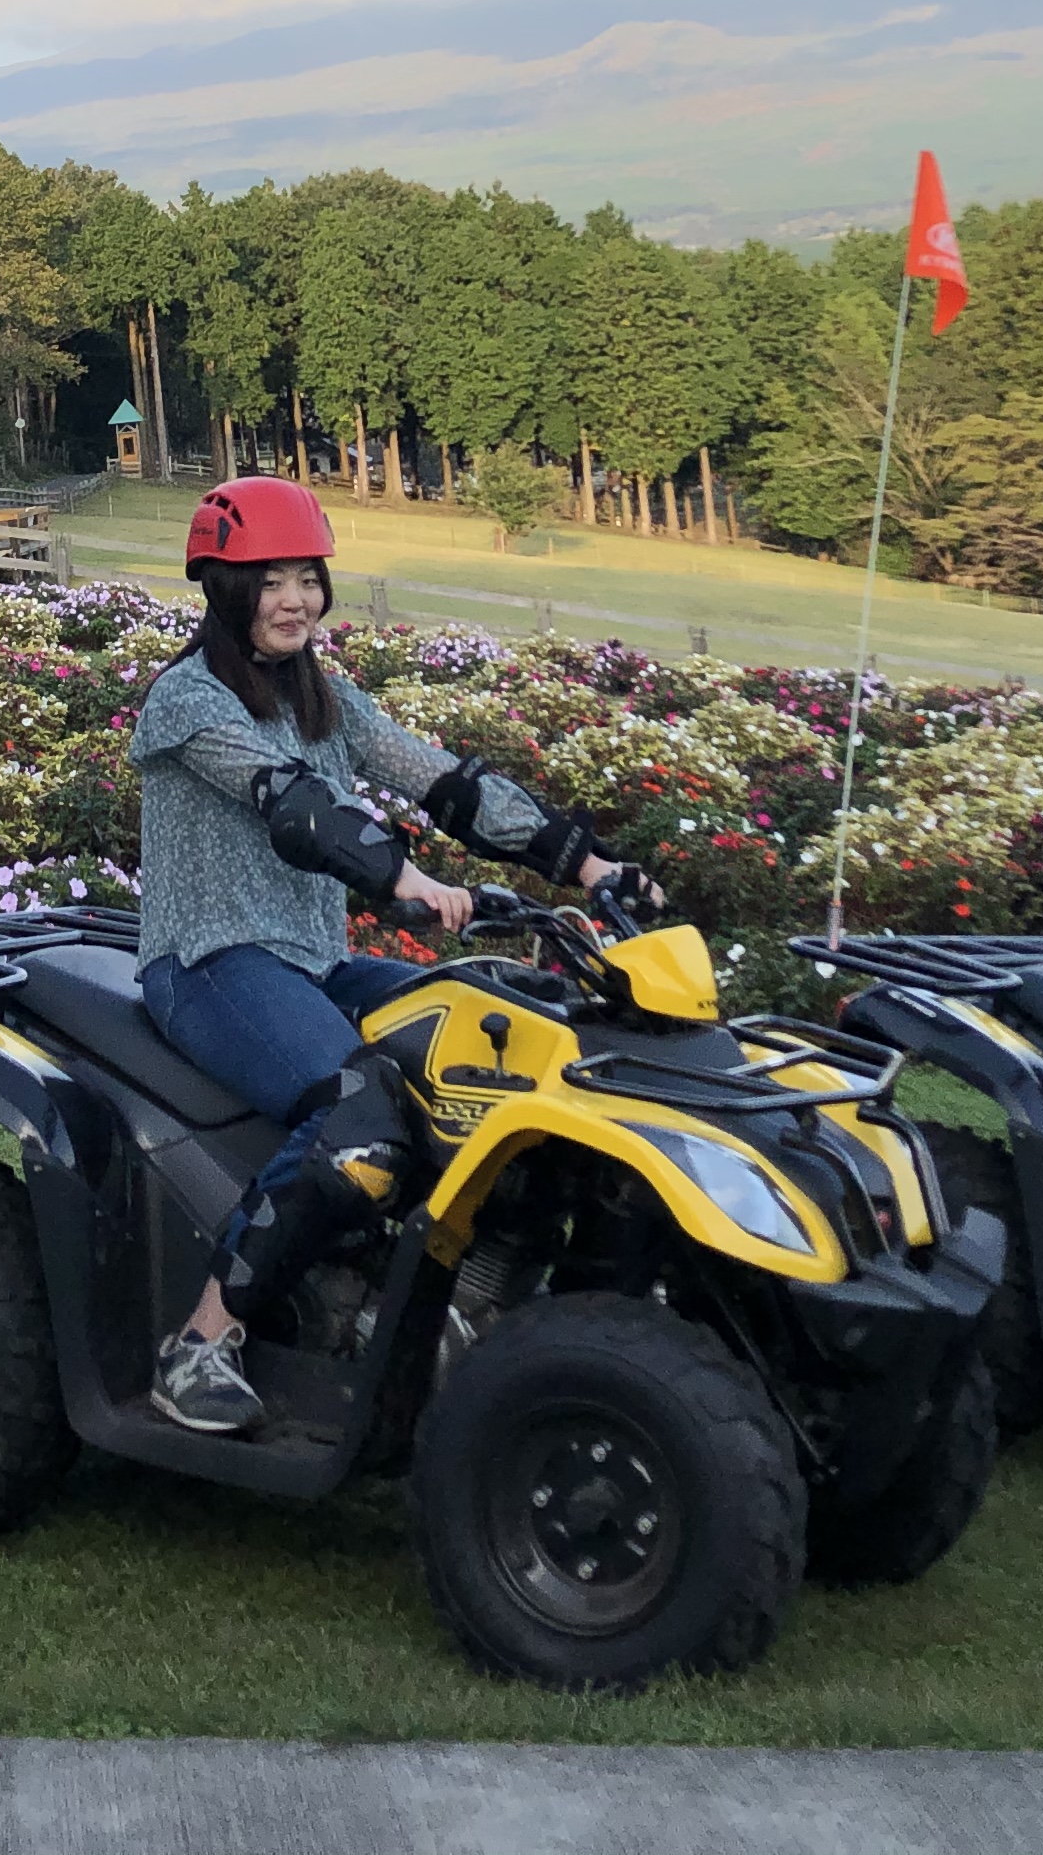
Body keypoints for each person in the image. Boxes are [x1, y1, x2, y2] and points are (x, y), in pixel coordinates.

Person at [132, 475, 646, 1434]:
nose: (294, 600)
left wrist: (591, 865)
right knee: (357, 1115)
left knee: (513, 1040)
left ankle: (482, 1306)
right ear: (224, 590)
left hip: (316, 962)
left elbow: (448, 785)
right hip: (208, 961)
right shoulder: (186, 701)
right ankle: (201, 1342)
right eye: (269, 581)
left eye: (307, 578)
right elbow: (292, 804)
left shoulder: (326, 700)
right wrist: (403, 878)